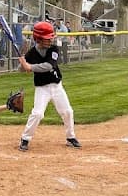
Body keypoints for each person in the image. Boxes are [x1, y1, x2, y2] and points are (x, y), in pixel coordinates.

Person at [17, 19, 81, 151]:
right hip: (42, 88)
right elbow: (21, 69)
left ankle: (70, 137)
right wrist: (23, 64)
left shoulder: (54, 48)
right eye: (47, 38)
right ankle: (25, 138)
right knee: (38, 113)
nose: (50, 40)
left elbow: (48, 66)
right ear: (38, 39)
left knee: (67, 111)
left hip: (57, 87)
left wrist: (30, 66)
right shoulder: (31, 53)